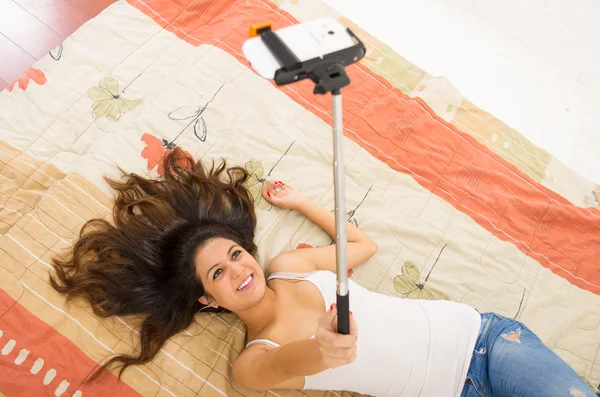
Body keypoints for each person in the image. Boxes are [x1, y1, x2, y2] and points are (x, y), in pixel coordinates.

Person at [51, 149, 597, 397]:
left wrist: (304, 202)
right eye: (218, 274)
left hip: (485, 340)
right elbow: (302, 358)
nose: (239, 269)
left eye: (236, 254)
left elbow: (363, 244)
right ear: (210, 301)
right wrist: (323, 349)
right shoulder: (254, 361)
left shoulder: (289, 267)